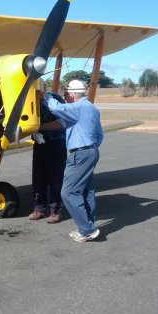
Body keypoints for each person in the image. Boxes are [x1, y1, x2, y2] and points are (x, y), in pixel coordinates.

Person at [40, 79, 104, 242]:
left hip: (80, 154)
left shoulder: (78, 107)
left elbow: (56, 108)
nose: (64, 96)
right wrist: (39, 128)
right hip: (91, 151)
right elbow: (98, 135)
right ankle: (88, 224)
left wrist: (44, 95)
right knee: (86, 190)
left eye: (66, 93)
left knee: (68, 192)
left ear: (73, 94)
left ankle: (87, 229)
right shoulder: (91, 109)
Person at [28, 92, 67, 223]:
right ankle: (39, 209)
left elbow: (62, 122)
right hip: (39, 143)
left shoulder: (55, 98)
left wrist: (39, 127)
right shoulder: (28, 100)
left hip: (56, 143)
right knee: (38, 177)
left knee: (56, 178)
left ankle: (56, 211)